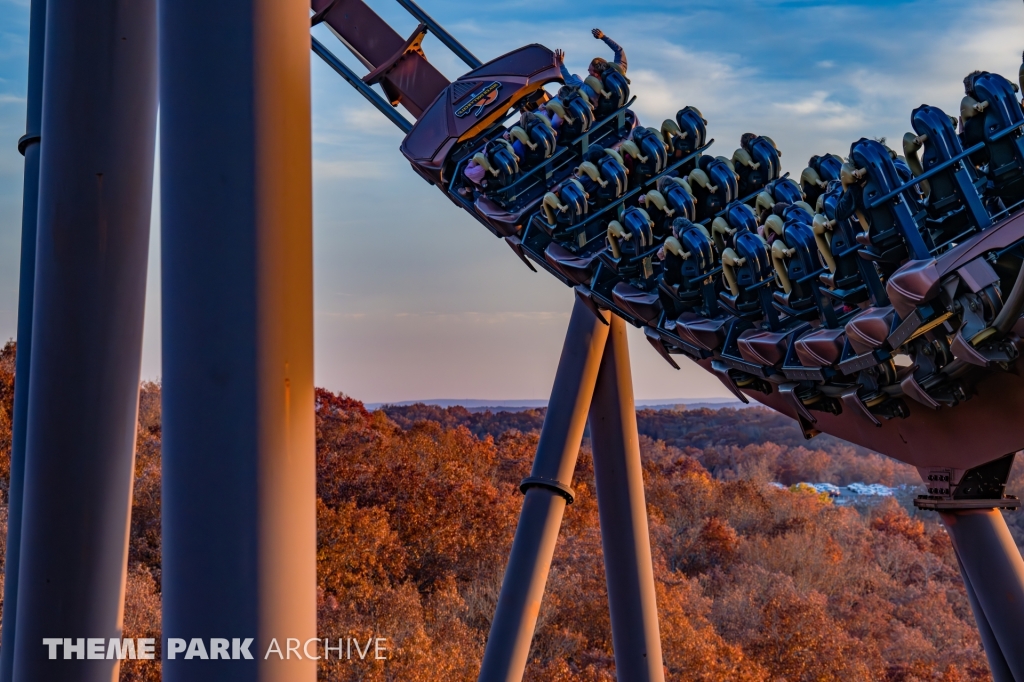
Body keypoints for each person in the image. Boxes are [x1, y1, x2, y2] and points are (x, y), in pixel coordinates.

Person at [554, 28, 628, 106]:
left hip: (603, 111)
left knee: (575, 77)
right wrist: (603, 37)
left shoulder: (591, 90)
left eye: (590, 70)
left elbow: (569, 81)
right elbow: (619, 51)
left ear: (596, 75)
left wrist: (561, 64)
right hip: (620, 102)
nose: (588, 70)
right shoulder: (618, 73)